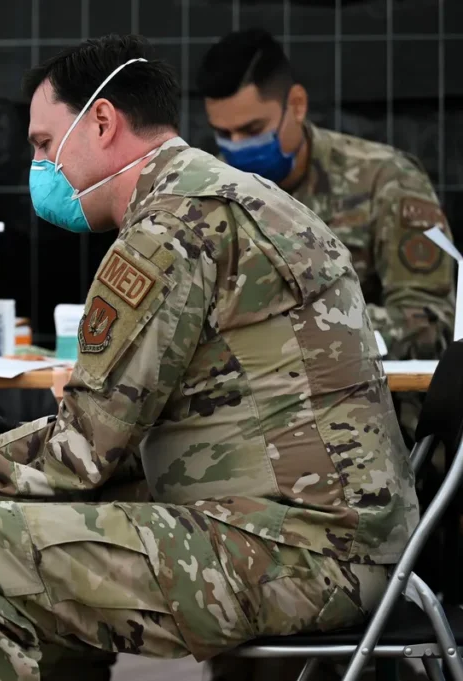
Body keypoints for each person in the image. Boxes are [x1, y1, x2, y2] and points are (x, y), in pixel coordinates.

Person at [0, 34, 419, 681]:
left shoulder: (168, 231)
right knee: (38, 529)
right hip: (348, 544)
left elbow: (80, 457)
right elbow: (145, 431)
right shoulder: (240, 198)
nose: (42, 166)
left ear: (101, 121)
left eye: (45, 144)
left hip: (296, 554)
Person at [196, 30, 451, 681]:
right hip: (252, 440)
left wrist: (302, 331)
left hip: (374, 443)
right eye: (223, 135)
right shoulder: (223, 195)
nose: (237, 148)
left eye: (252, 127)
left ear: (297, 104)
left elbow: (432, 324)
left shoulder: (384, 180)